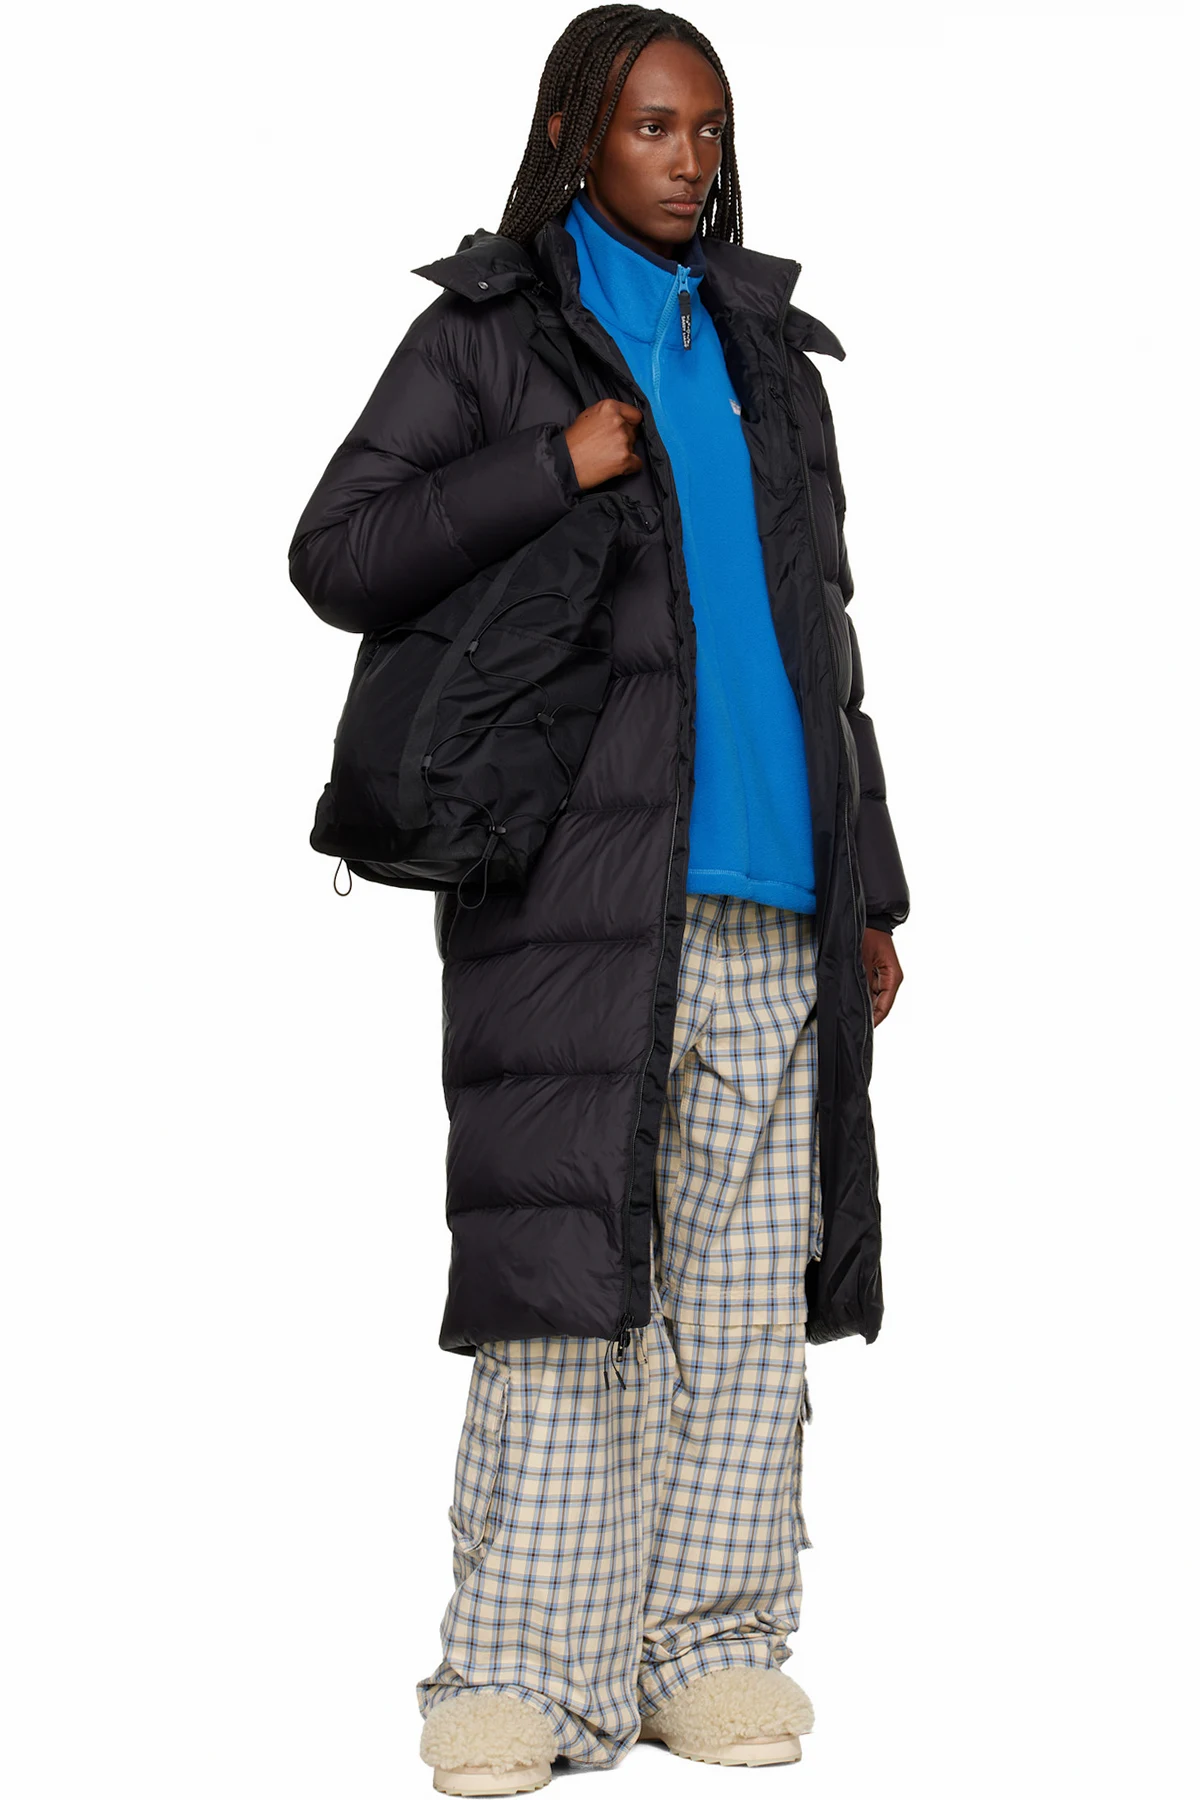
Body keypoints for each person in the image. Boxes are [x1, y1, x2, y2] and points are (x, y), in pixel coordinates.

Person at [288, 7, 909, 1793]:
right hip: (578, 895)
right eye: (654, 126)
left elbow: (825, 642)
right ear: (573, 134)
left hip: (778, 901)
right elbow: (337, 551)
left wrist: (870, 889)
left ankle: (709, 1647)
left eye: (710, 128)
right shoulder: (489, 335)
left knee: (742, 1301)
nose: (691, 159)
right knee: (568, 1287)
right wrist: (549, 466)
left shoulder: (765, 354)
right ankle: (518, 1677)